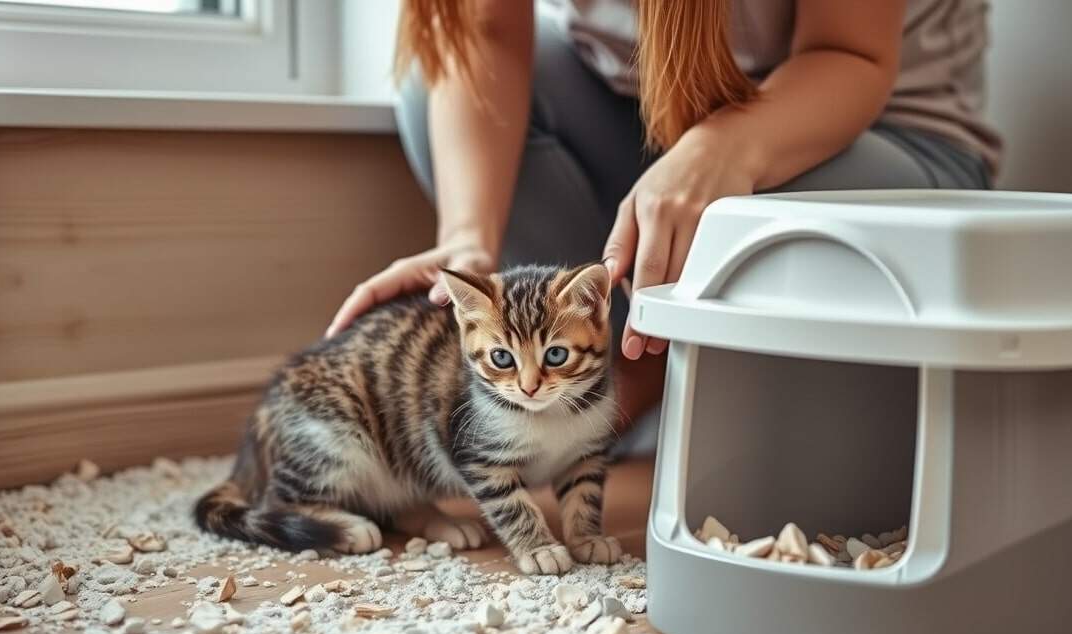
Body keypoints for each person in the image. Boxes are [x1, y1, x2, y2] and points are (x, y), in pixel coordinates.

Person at [327, 0, 1000, 428]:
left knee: (770, 224)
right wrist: (470, 241)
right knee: (432, 84)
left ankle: (653, 386)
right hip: (638, 124)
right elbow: (487, 30)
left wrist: (721, 150)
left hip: (873, 139)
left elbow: (850, 52)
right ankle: (635, 378)